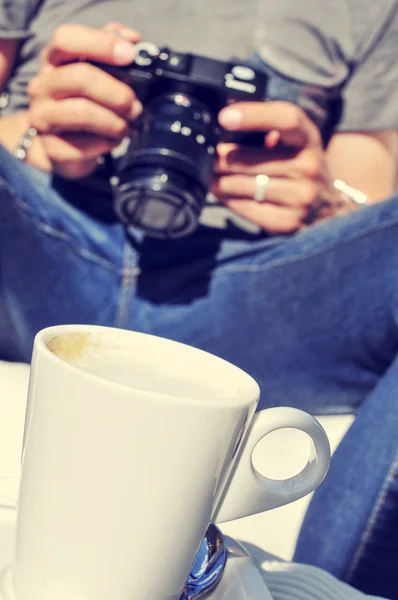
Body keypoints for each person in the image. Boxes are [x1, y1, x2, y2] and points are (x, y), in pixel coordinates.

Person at [0, 0, 397, 597]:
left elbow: (367, 192)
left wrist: (314, 195)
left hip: (259, 281)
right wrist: (35, 133)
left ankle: (326, 586)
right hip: (47, 235)